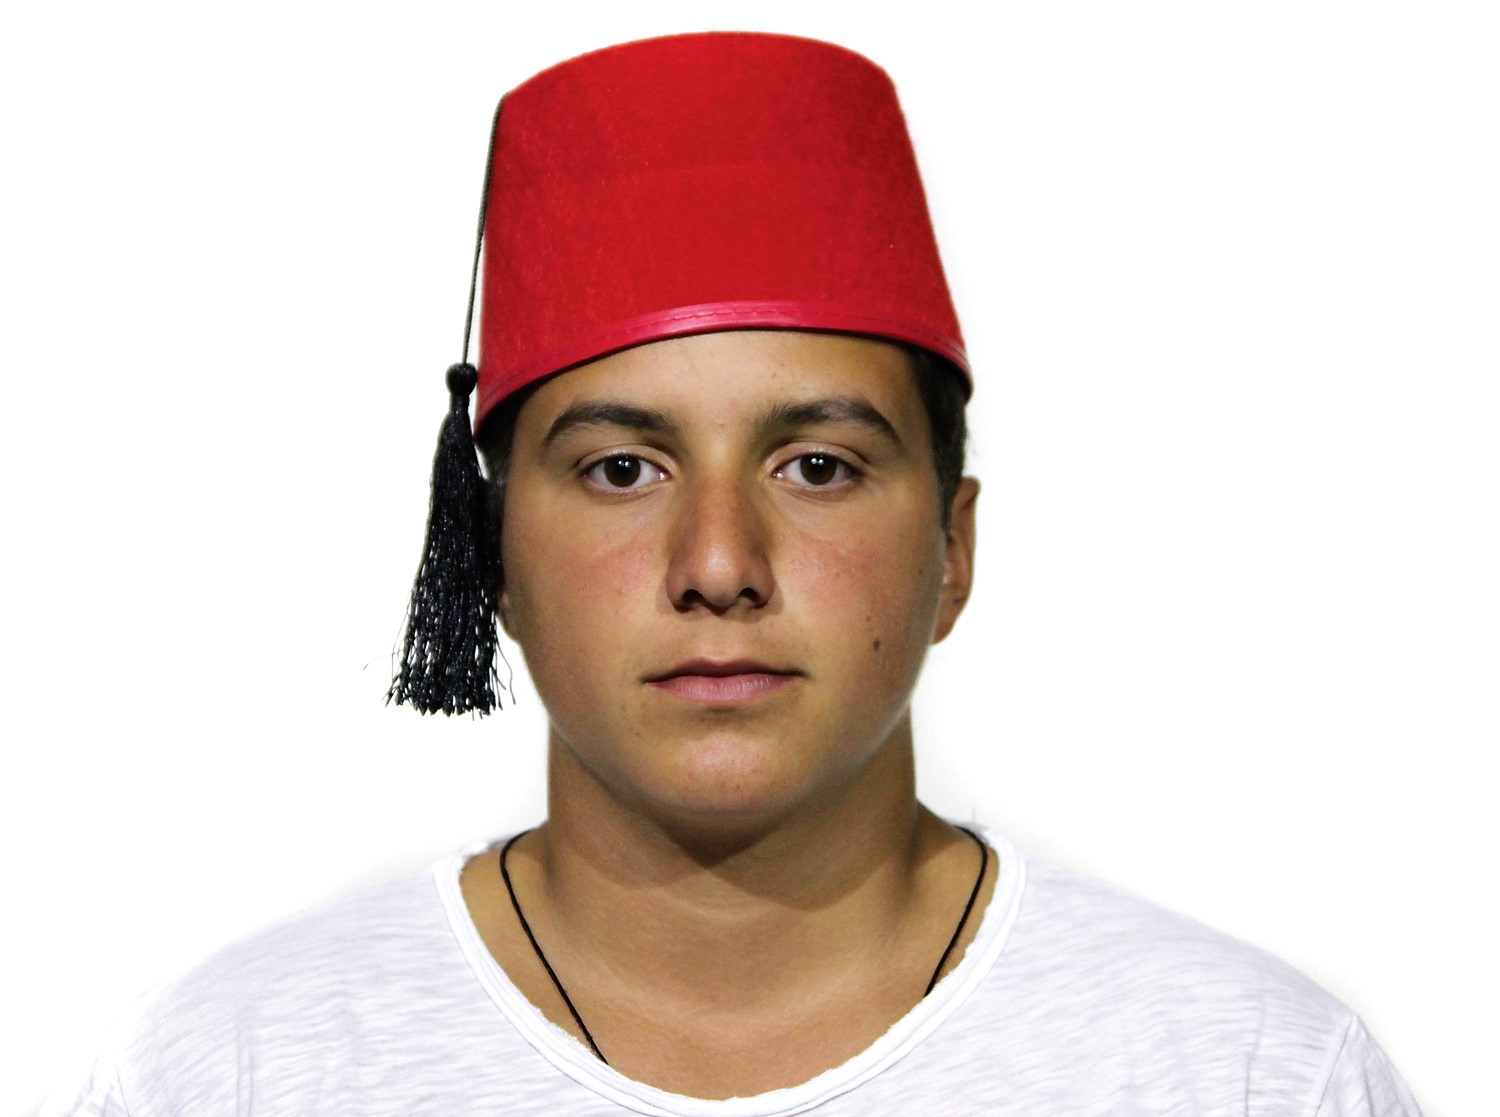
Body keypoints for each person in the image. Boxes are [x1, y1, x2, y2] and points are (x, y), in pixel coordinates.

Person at [49, 31, 1421, 1115]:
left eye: (816, 466)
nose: (718, 565)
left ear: (952, 550)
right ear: (493, 554)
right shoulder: (231, 1076)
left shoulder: (1252, 1077)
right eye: (621, 469)